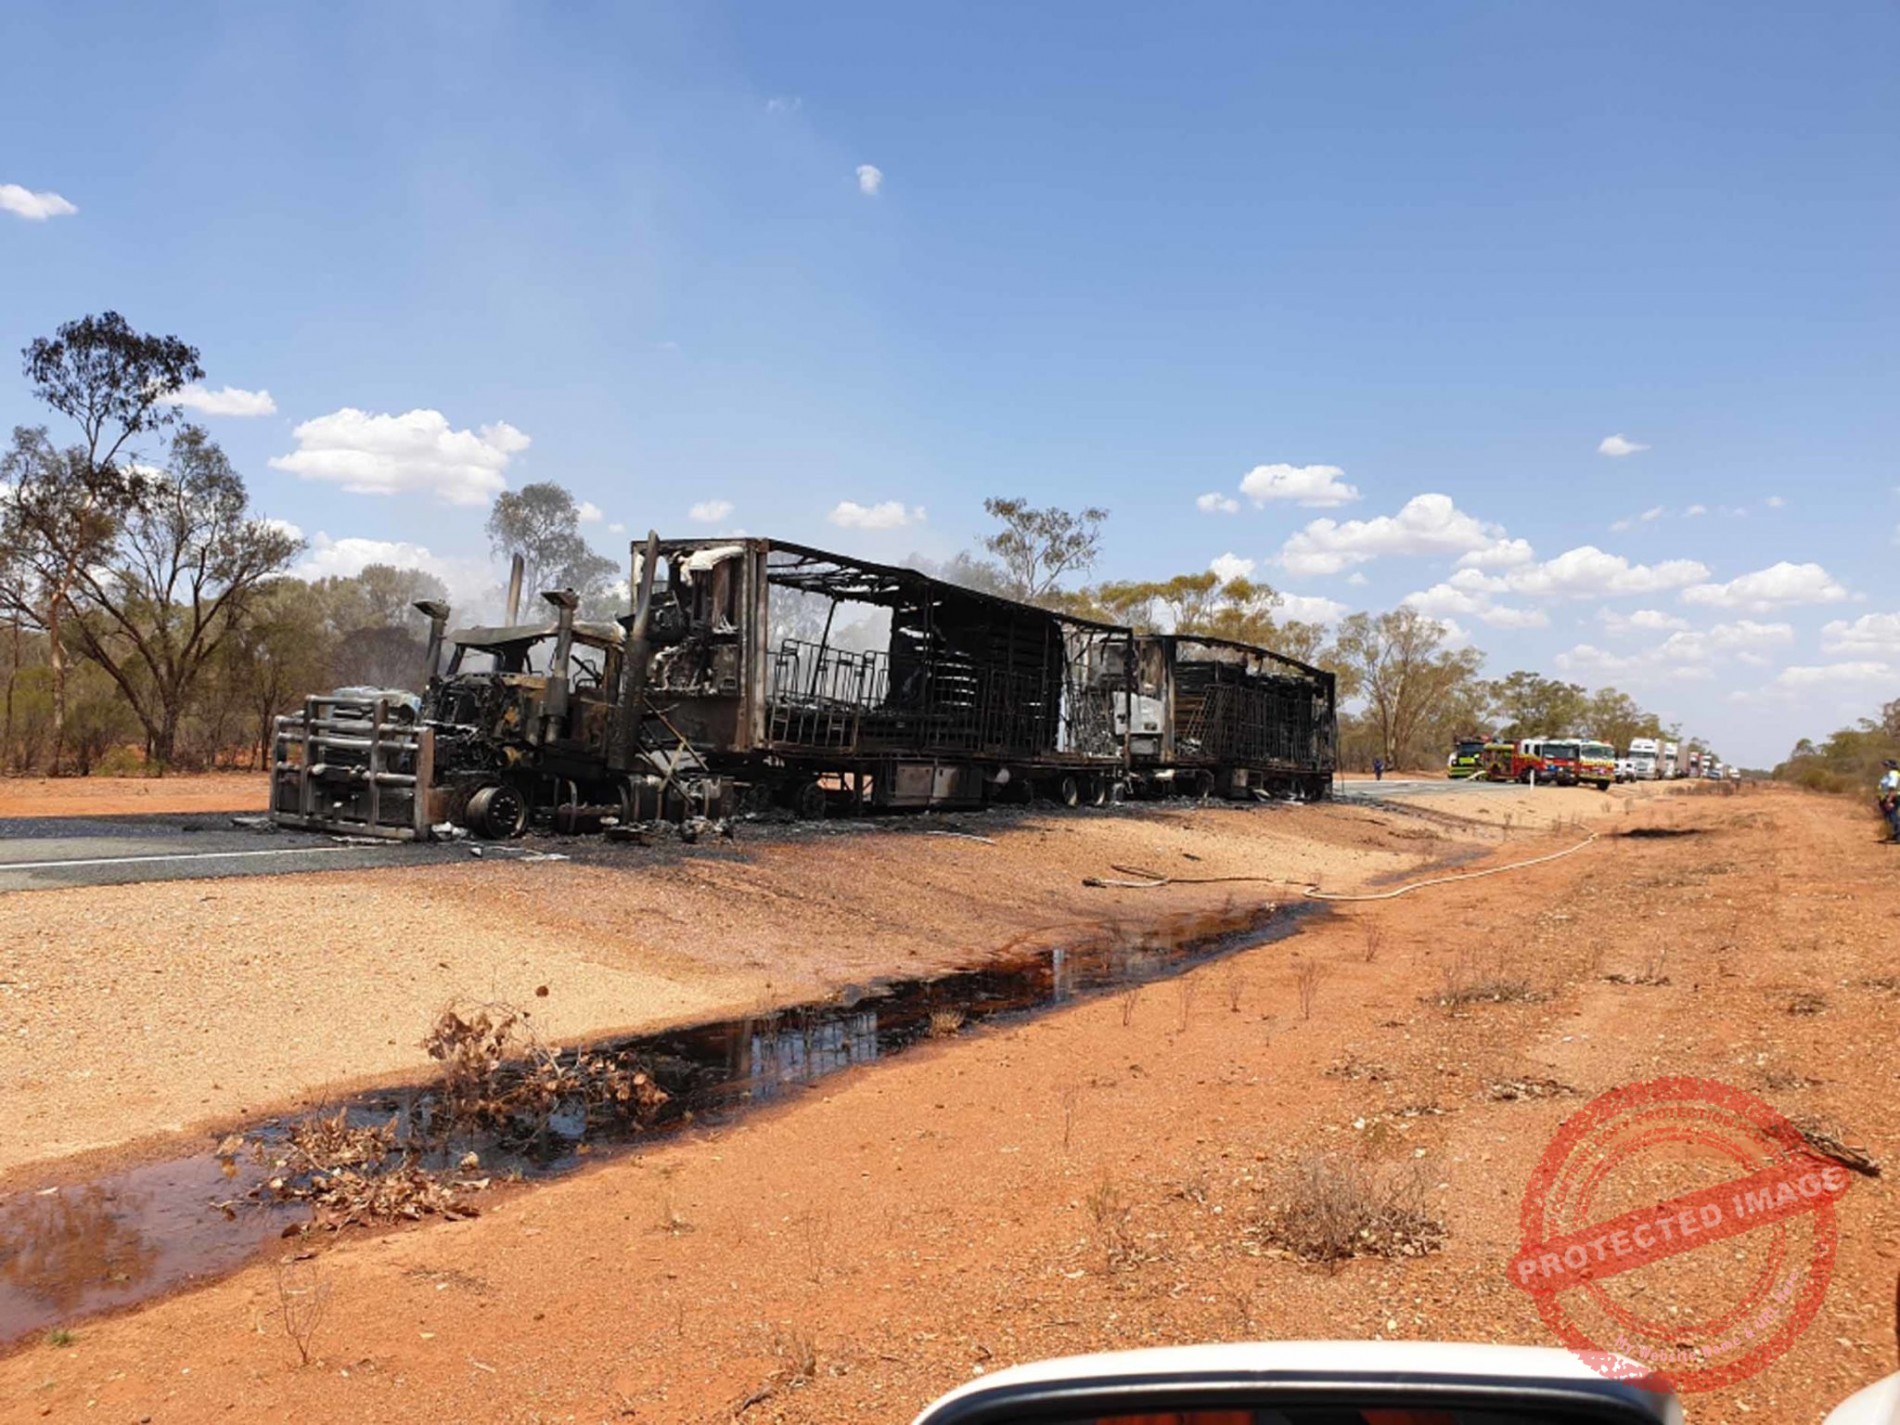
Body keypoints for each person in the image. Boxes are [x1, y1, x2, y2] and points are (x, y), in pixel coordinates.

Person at [1879, 758, 1900, 843]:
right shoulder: (1888, 774)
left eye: (1886, 765)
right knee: (1889, 817)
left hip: (1892, 798)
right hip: (1887, 797)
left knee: (1893, 816)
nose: (1884, 766)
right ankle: (1894, 835)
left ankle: (1898, 836)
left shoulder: (1893, 774)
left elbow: (1892, 787)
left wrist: (1889, 800)